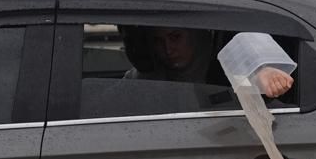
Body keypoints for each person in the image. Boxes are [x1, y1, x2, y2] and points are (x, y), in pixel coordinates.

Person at [124, 26, 294, 99]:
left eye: (175, 37)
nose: (168, 49)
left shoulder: (224, 68)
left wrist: (263, 73)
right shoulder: (146, 76)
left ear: (195, 34)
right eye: (158, 41)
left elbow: (247, 82)